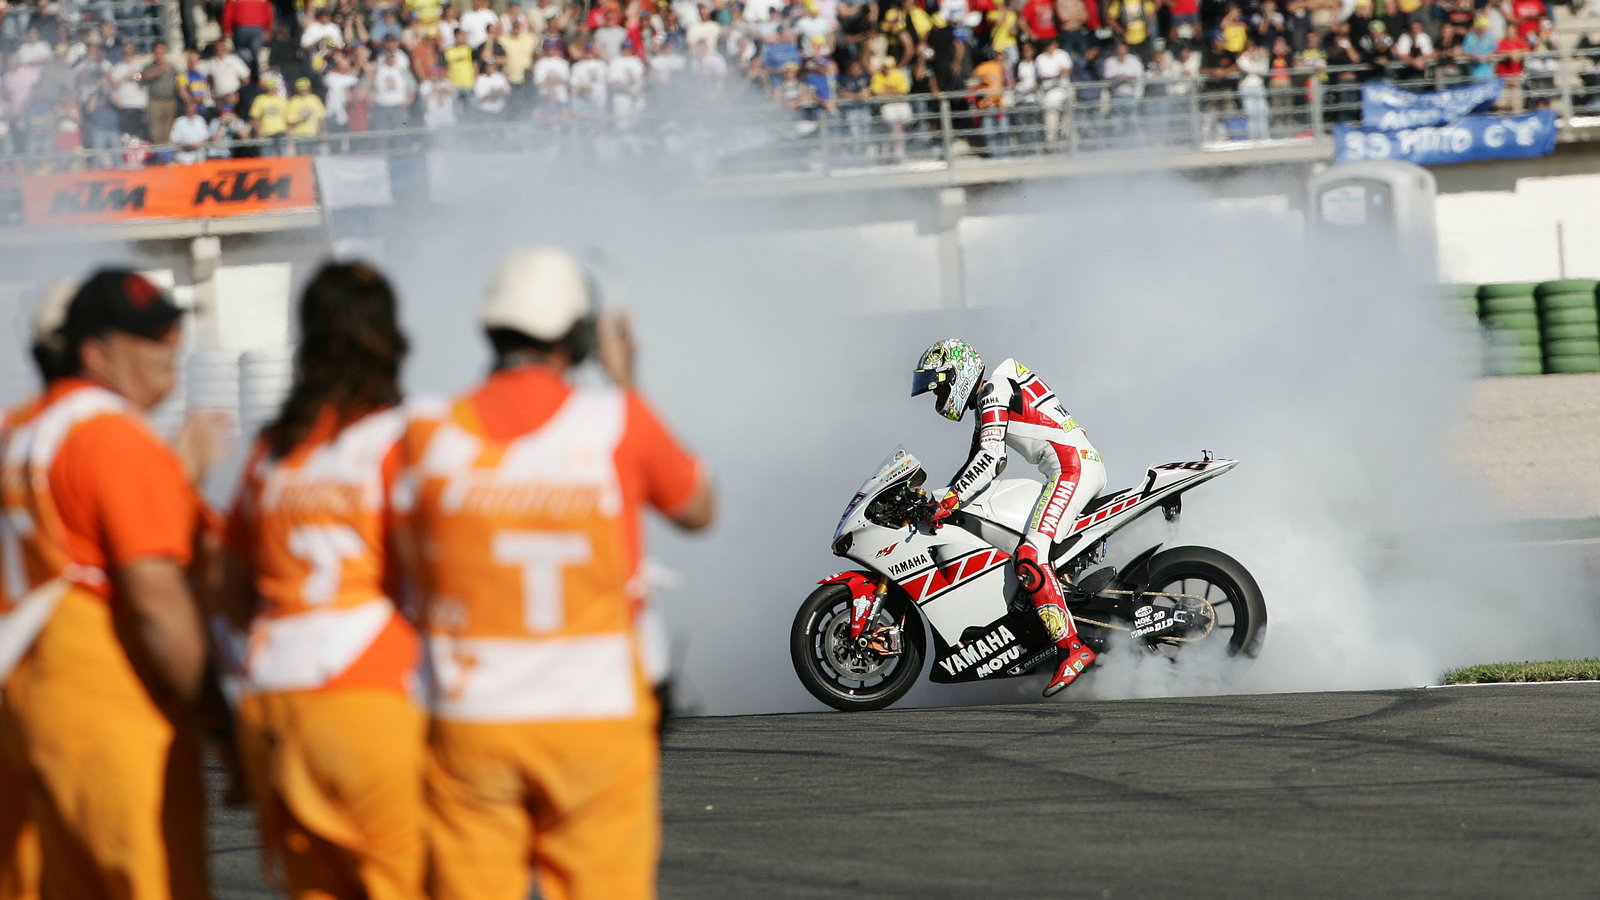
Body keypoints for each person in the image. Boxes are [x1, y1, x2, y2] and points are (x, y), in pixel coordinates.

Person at [399, 247, 714, 900]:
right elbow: (697, 507)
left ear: (490, 330)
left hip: (472, 717)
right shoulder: (616, 419)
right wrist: (628, 382)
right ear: (578, 334)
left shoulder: (428, 431)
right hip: (593, 718)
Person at [0, 270, 221, 899]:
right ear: (93, 352)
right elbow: (155, 599)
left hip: (24, 710)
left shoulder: (17, 430)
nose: (170, 345)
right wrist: (217, 715)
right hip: (111, 716)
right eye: (150, 336)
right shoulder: (111, 437)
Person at [221, 262, 424, 900]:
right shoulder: (403, 441)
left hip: (275, 706)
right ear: (389, 336)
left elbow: (228, 593)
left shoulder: (273, 453)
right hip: (372, 698)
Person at [910, 339, 1104, 697]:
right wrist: (940, 499)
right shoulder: (989, 399)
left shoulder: (994, 391)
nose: (939, 399)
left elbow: (991, 460)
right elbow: (972, 465)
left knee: (1030, 559)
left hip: (1071, 470)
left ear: (959, 373)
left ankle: (1072, 649)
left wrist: (948, 500)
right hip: (1067, 468)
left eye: (940, 387)